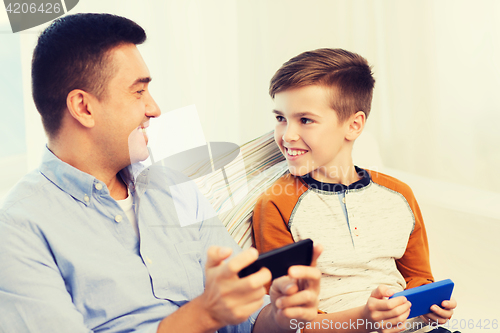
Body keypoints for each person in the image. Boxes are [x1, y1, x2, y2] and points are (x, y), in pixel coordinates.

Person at [0, 13, 323, 333]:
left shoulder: (172, 187)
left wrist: (280, 317)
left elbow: (248, 321)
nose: (154, 108)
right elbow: (214, 312)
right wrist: (205, 314)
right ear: (84, 108)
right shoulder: (18, 227)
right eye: (138, 92)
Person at [252, 48, 457, 333]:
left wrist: (431, 307)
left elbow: (420, 278)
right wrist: (364, 320)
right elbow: (288, 316)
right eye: (280, 118)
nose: (287, 135)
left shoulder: (399, 195)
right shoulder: (276, 203)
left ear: (354, 125)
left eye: (305, 120)